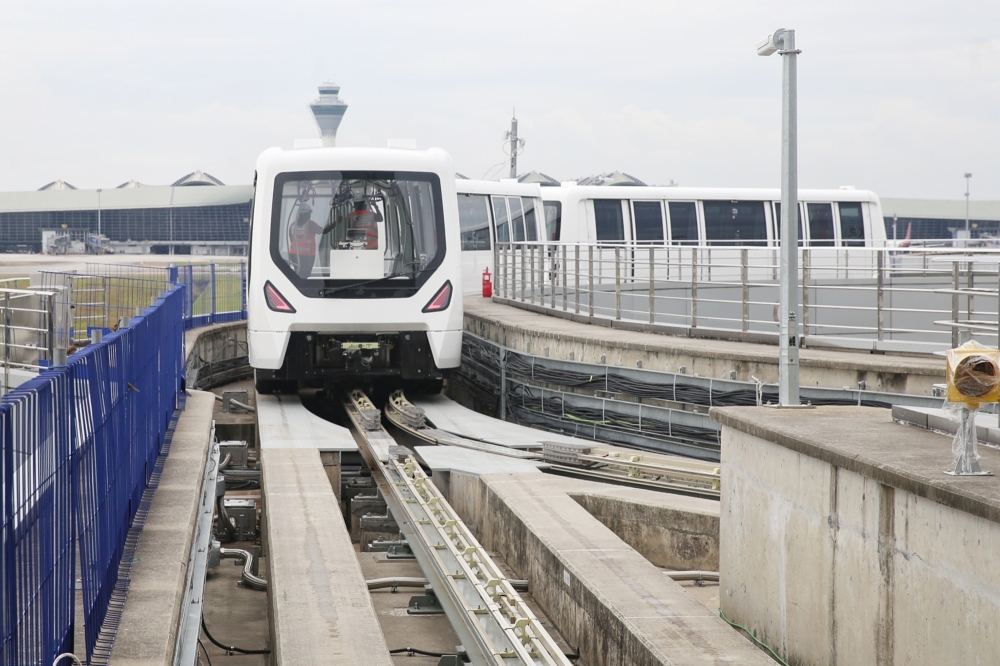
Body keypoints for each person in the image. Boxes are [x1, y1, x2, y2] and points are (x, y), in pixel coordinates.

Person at [287, 202, 324, 278]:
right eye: (309, 214)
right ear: (305, 214)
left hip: (294, 255)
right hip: (306, 256)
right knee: (304, 275)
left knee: (298, 273)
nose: (310, 216)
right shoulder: (311, 225)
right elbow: (323, 231)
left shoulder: (292, 226)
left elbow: (291, 239)